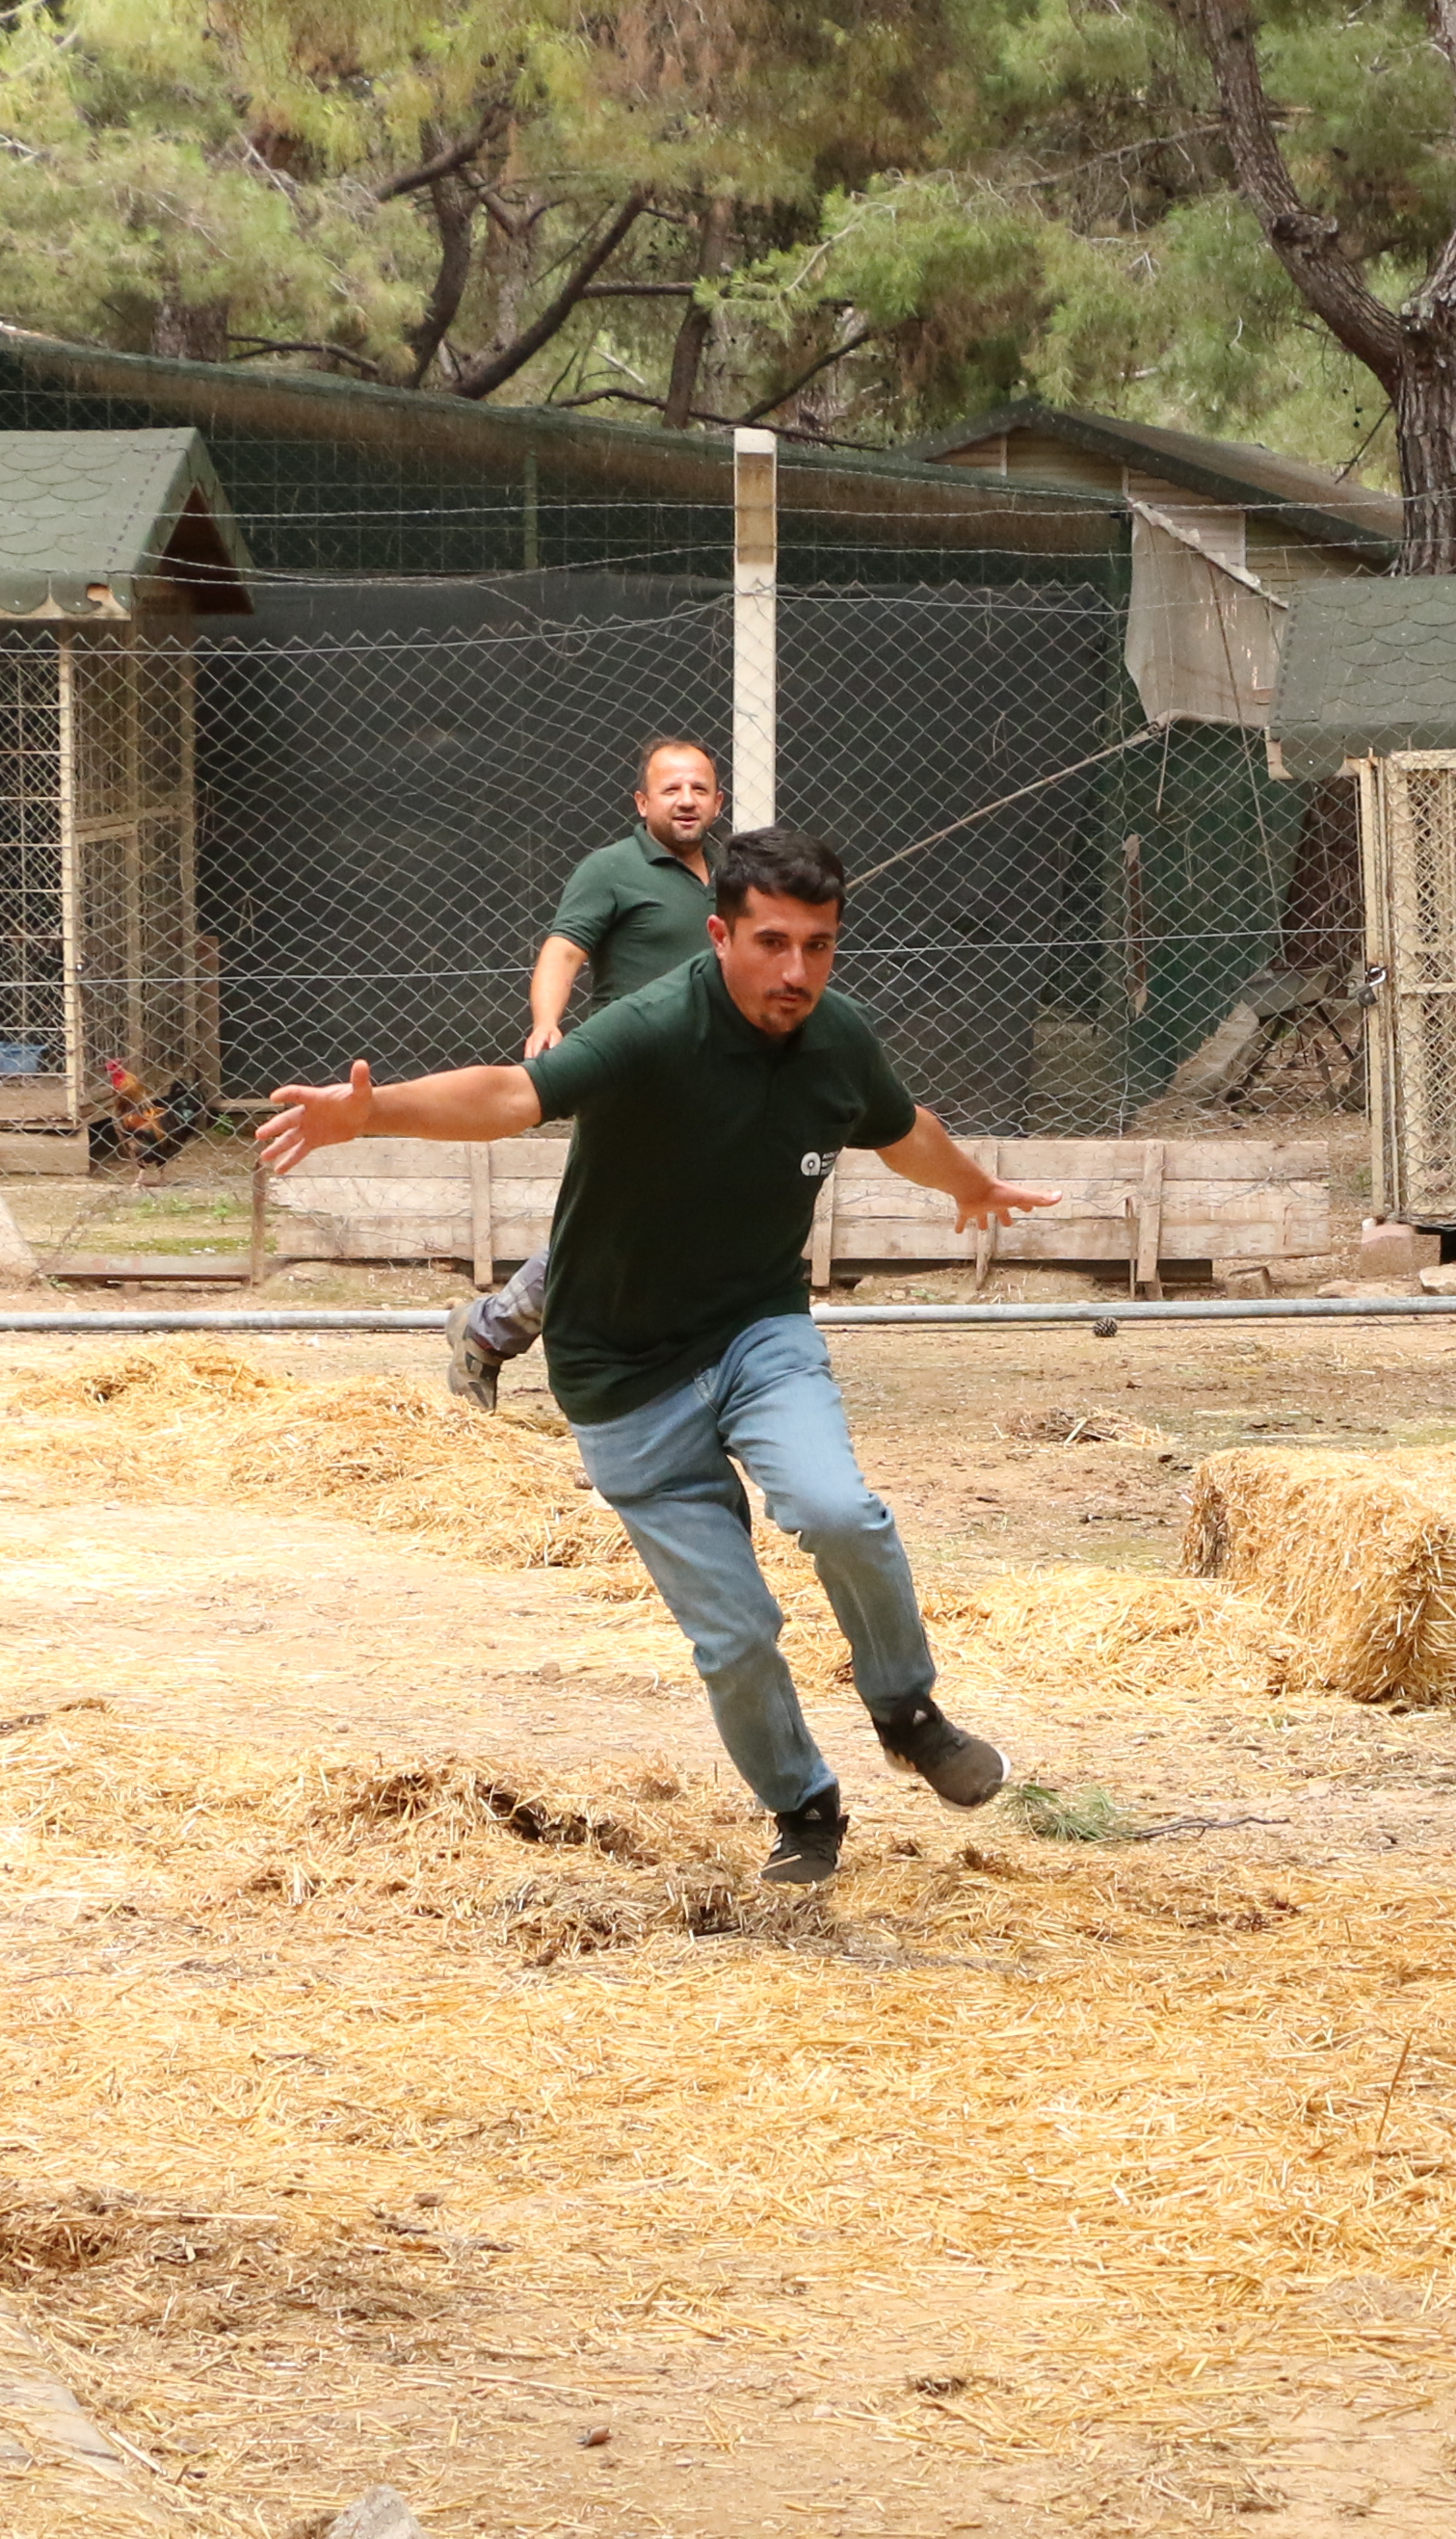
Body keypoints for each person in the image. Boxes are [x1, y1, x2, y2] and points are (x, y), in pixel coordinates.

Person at [266, 823, 1036, 1884]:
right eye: (771, 942)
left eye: (819, 945)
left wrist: (970, 1186)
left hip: (757, 1332)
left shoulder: (838, 1039)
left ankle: (907, 1712)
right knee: (736, 1637)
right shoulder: (655, 1029)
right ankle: (805, 1809)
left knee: (836, 1508)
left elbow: (900, 1127)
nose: (795, 970)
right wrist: (372, 1114)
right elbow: (510, 1095)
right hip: (620, 1374)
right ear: (719, 935)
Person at [442, 734, 722, 1410]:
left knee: (679, 1227)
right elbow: (565, 950)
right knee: (615, 1228)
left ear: (717, 801)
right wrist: (546, 1021)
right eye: (670, 789)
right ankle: (490, 1331)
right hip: (633, 1077)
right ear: (642, 800)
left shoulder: (735, 872)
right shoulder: (611, 868)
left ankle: (501, 1330)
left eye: (699, 789)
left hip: (716, 1080)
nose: (685, 800)